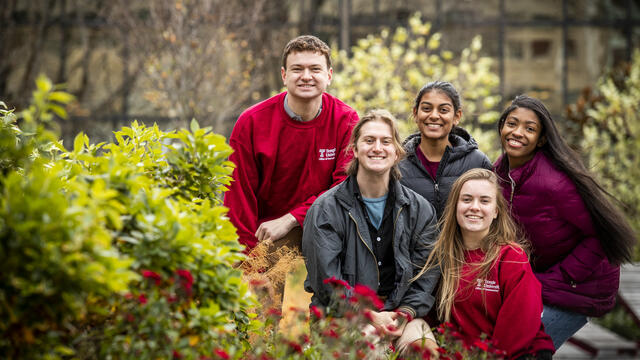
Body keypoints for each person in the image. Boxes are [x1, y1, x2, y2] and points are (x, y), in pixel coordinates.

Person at [493, 95, 637, 349]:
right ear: (502, 126)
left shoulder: (555, 183)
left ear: (542, 139)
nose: (517, 133)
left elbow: (601, 235)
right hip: (541, 280)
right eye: (512, 123)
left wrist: (565, 276)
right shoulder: (499, 173)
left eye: (530, 128)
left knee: (521, 350)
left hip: (578, 287)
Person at [302, 109, 440, 355]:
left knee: (423, 350)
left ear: (396, 152)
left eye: (386, 141)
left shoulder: (419, 209)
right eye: (369, 141)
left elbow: (427, 273)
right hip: (343, 316)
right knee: (370, 348)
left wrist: (404, 313)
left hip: (400, 314)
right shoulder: (326, 209)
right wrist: (370, 316)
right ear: (354, 149)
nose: (377, 148)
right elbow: (327, 284)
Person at [223, 35, 359, 251]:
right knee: (261, 276)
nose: (306, 76)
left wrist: (292, 218)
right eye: (297, 69)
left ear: (329, 76)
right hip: (265, 232)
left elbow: (344, 187)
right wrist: (247, 262)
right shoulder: (251, 122)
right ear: (284, 75)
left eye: (315, 69)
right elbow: (239, 198)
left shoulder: (346, 120)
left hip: (326, 227)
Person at [415, 168, 555, 359]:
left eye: (484, 201)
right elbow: (429, 314)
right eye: (466, 199)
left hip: (518, 354)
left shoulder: (511, 257)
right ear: (455, 206)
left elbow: (517, 329)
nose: (474, 207)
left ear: (496, 211)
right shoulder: (443, 257)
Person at [399, 81, 491, 219]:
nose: (434, 115)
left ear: (457, 116)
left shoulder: (478, 162)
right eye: (426, 109)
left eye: (443, 110)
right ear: (415, 113)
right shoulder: (398, 163)